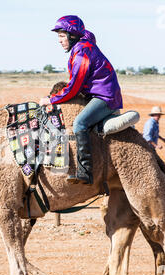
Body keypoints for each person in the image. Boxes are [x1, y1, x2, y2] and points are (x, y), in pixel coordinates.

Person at [39, 15, 123, 184]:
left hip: (105, 96)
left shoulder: (81, 53)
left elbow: (74, 86)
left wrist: (52, 100)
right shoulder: (82, 47)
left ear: (72, 35)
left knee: (79, 124)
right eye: (59, 37)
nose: (59, 40)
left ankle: (85, 171)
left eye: (62, 36)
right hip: (100, 93)